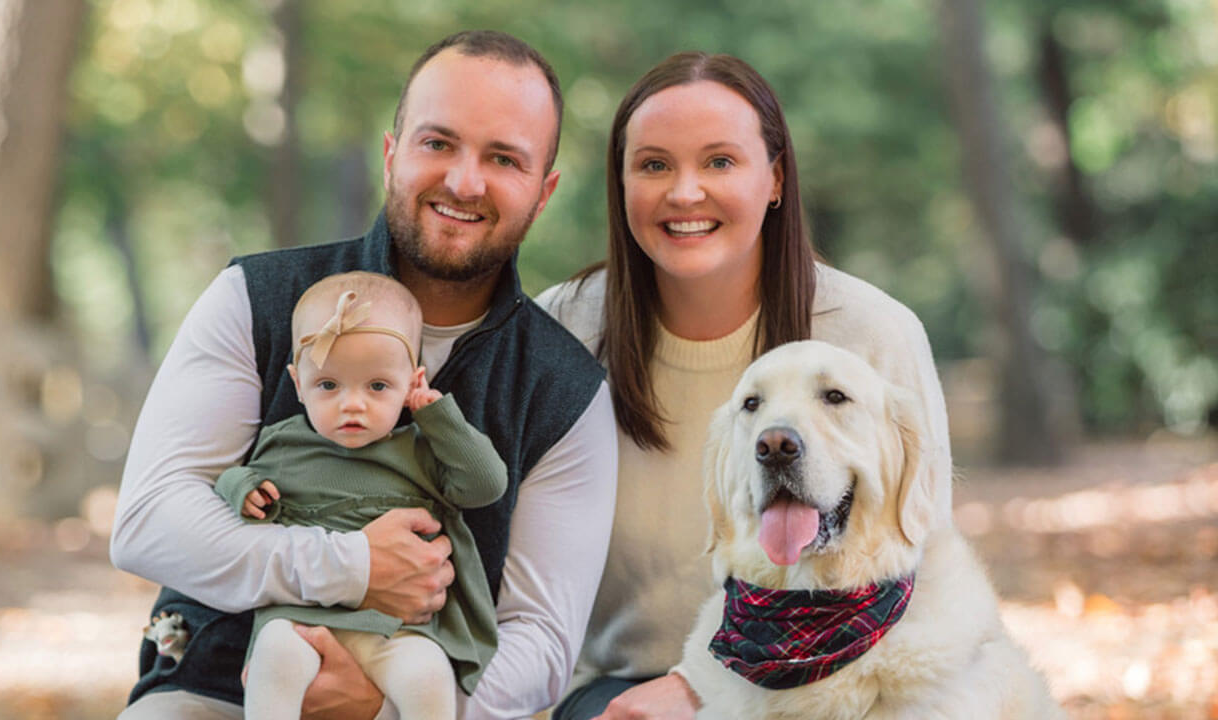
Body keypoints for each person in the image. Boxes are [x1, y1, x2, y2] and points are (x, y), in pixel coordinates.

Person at [111, 30, 618, 720]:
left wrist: (379, 705)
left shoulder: (565, 389)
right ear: (391, 155)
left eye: (503, 158)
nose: (464, 181)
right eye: (437, 143)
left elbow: (544, 643)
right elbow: (149, 521)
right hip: (219, 690)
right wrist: (351, 567)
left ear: (543, 192)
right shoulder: (256, 297)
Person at [536, 52, 954, 719]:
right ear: (620, 185)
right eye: (653, 165)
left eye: (719, 162)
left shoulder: (873, 334)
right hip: (619, 697)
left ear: (776, 178)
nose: (684, 192)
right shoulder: (561, 329)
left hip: (833, 687)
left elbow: (924, 565)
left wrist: (703, 685)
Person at [216, 271, 508, 720]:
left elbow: (487, 485)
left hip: (398, 630)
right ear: (297, 383)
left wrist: (437, 416)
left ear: (412, 381)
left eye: (377, 387)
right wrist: (242, 489)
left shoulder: (421, 452)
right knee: (273, 659)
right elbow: (233, 478)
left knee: (429, 676)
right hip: (301, 620)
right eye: (328, 385)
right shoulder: (283, 444)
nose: (352, 404)